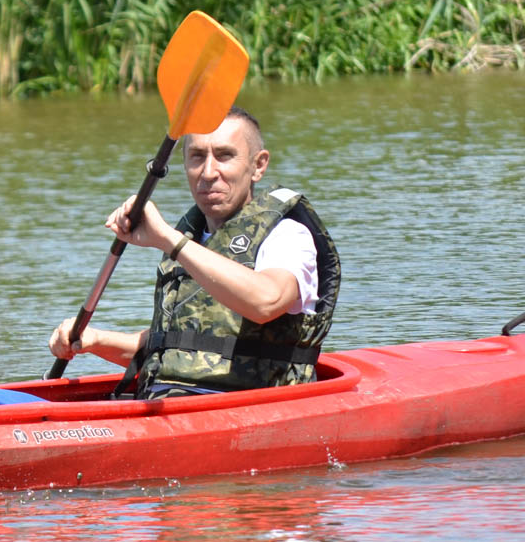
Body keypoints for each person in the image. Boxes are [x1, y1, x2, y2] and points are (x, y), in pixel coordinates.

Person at [47, 106, 340, 395]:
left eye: (224, 156)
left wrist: (168, 240)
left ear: (258, 165)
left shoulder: (286, 235)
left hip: (251, 403)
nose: (208, 172)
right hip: (170, 398)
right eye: (197, 157)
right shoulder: (191, 236)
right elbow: (178, 347)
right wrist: (94, 340)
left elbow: (266, 302)